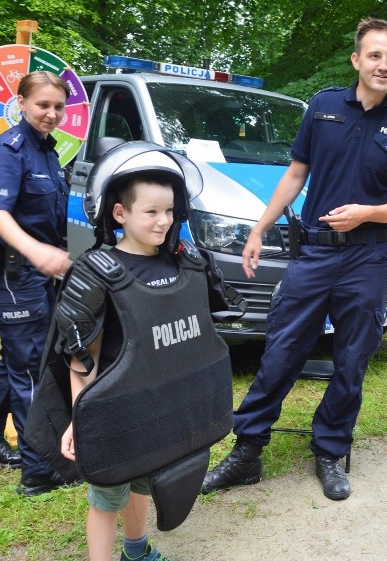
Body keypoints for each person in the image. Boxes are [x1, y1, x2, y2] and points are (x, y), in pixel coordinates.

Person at [200, 17, 387, 501]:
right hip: (315, 255)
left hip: (369, 259)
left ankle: (329, 449)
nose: (383, 64)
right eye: (375, 55)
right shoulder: (324, 107)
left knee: (352, 361)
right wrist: (260, 229)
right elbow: (295, 175)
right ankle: (247, 452)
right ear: (357, 60)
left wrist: (370, 212)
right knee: (281, 351)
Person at [55, 144, 230, 561]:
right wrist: (83, 420)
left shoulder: (185, 264)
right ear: (120, 214)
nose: (163, 221)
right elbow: (83, 359)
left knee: (142, 483)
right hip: (115, 413)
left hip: (159, 407)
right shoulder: (98, 273)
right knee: (107, 497)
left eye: (169, 211)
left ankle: (136, 551)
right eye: (151, 212)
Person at [0, 71, 74, 496]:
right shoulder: (8, 149)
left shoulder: (48, 152)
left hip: (38, 274)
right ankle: (41, 469)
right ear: (22, 103)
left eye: (58, 107)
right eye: (43, 105)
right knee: (32, 367)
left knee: (18, 358)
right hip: (14, 273)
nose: (51, 113)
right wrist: (36, 251)